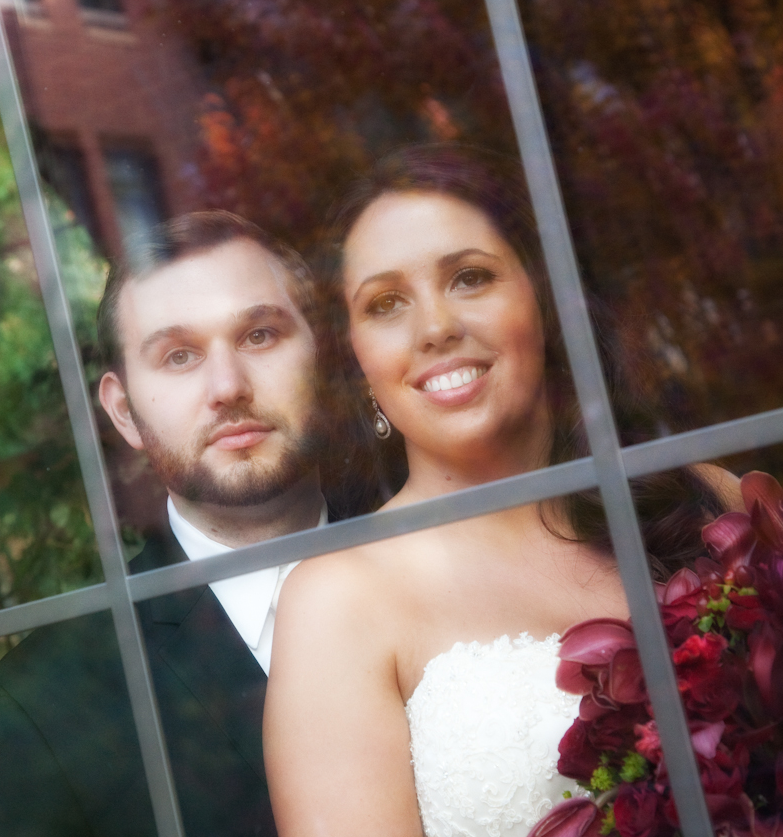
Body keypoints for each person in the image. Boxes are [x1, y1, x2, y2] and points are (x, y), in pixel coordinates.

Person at [264, 146, 740, 837]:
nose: (436, 328)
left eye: (470, 277)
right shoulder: (338, 601)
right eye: (386, 304)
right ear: (357, 360)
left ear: (542, 299)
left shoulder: (708, 499)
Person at [0, 211, 350, 837]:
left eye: (259, 335)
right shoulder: (33, 714)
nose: (227, 386)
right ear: (123, 412)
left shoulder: (442, 558)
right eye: (179, 356)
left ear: (323, 354)